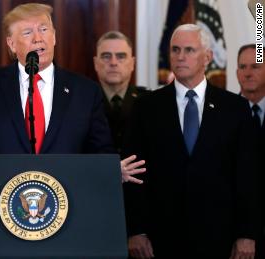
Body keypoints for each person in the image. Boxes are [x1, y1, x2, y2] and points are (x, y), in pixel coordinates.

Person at [0, 3, 145, 188]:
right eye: (28, 32)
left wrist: (110, 169)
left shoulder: (84, 91)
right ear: (11, 43)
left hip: (67, 206)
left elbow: (100, 151)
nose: (39, 38)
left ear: (55, 37)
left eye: (44, 29)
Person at [124, 24, 260, 259]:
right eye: (175, 50)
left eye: (189, 50)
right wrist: (136, 229)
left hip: (219, 237)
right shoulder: (146, 107)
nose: (180, 57)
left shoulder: (235, 108)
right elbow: (134, 172)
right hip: (160, 239)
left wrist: (247, 233)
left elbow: (247, 176)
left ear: (207, 56)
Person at [93, 31, 148, 154]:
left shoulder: (148, 101)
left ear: (132, 63)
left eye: (121, 56)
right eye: (106, 56)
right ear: (96, 63)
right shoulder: (82, 102)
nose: (113, 63)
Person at [236, 43, 265, 259]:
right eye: (243, 67)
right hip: (233, 233)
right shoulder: (220, 114)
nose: (248, 73)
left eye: (255, 66)